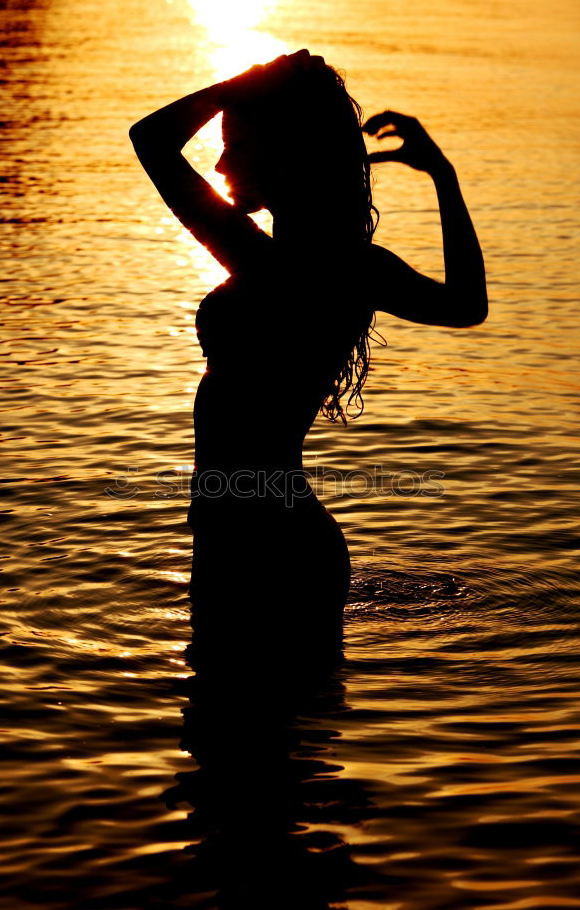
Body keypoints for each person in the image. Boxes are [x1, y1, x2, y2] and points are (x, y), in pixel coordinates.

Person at [129, 50, 487, 670]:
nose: (217, 164)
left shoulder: (276, 265)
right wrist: (443, 176)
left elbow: (152, 141)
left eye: (234, 146)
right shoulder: (339, 265)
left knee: (236, 744)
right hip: (257, 536)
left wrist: (250, 81)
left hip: (262, 543)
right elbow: (467, 305)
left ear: (284, 154)